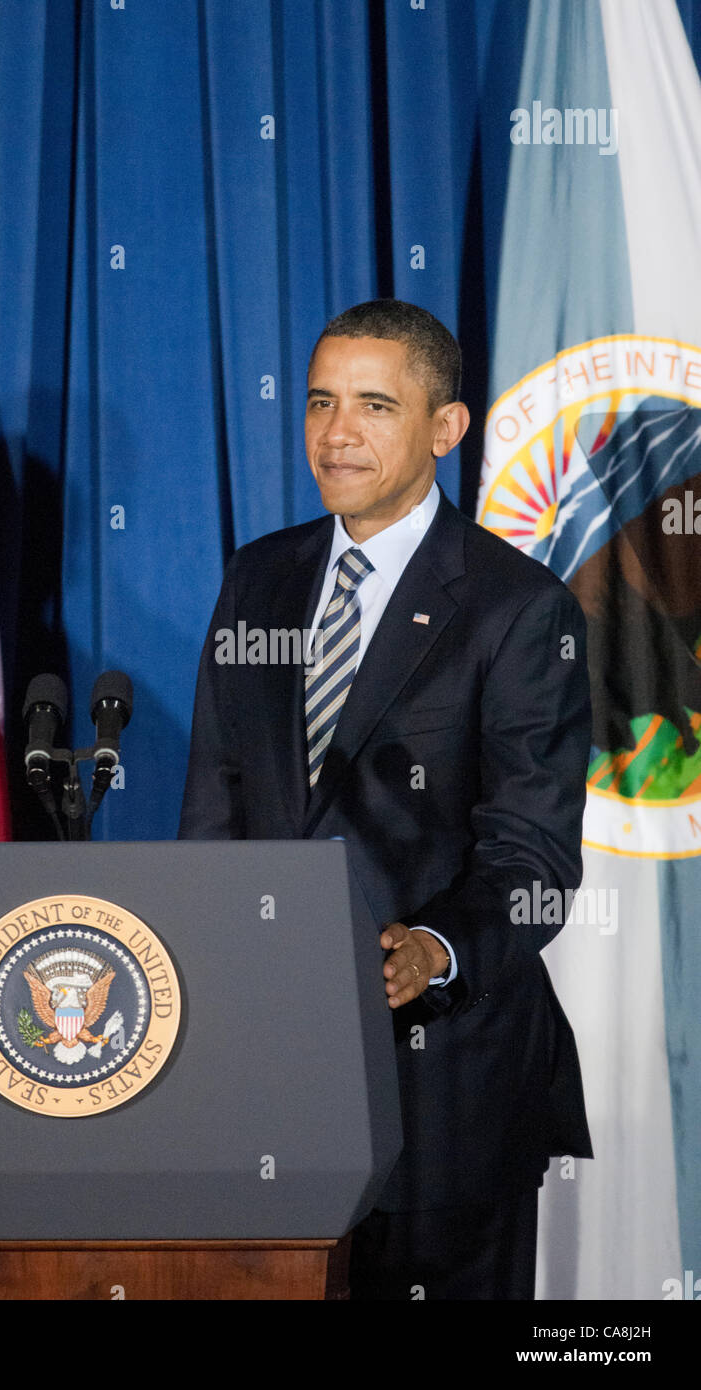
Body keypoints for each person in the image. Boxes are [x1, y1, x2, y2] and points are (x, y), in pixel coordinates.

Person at [179, 299, 592, 1300]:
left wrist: (432, 949)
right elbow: (215, 805)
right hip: (267, 1076)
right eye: (320, 401)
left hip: (445, 1092)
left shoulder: (517, 608)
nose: (335, 432)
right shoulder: (258, 578)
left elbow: (531, 858)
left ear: (444, 430)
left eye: (372, 404)